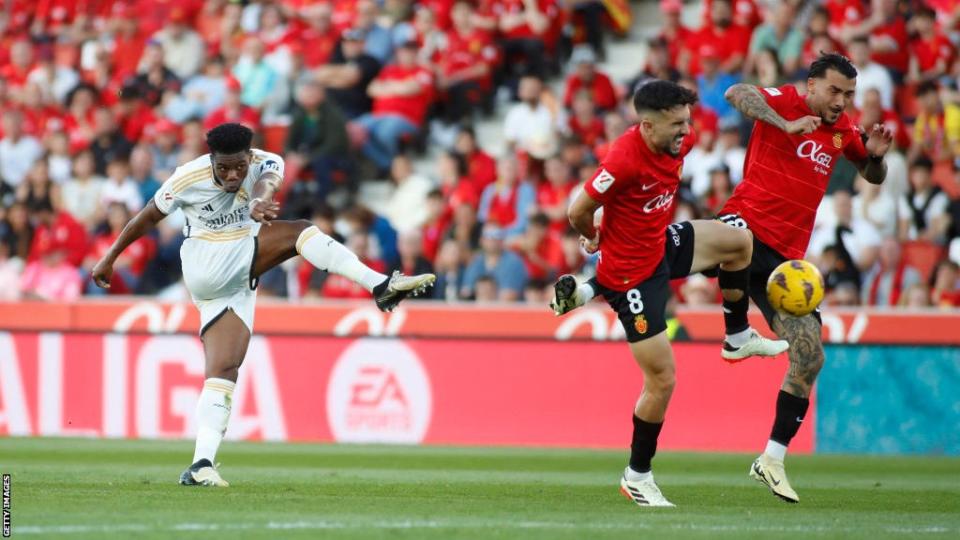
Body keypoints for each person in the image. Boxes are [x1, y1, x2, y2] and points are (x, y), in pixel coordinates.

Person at [90, 123, 435, 487]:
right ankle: (380, 284)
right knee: (300, 232)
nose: (232, 174)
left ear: (250, 157)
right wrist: (110, 257)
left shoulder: (269, 162)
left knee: (223, 372)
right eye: (223, 168)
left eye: (239, 166)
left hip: (232, 281)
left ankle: (200, 463)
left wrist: (257, 201)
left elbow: (266, 184)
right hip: (207, 260)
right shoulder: (186, 178)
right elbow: (146, 216)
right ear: (211, 160)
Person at [550, 81, 788, 507]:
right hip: (631, 279)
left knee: (740, 243)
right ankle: (637, 475)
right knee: (662, 380)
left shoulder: (680, 140)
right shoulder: (623, 159)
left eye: (687, 121)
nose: (686, 131)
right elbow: (576, 210)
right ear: (646, 126)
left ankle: (736, 337)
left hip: (659, 244)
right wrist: (593, 237)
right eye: (676, 124)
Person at [714, 54, 892, 501]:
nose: (841, 101)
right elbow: (737, 93)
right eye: (834, 91)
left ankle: (770, 459)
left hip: (785, 264)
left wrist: (874, 158)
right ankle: (595, 278)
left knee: (810, 357)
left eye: (848, 94)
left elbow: (871, 176)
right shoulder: (788, 102)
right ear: (811, 85)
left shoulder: (844, 131)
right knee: (679, 254)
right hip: (744, 226)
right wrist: (784, 123)